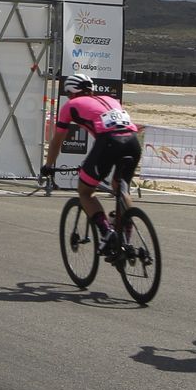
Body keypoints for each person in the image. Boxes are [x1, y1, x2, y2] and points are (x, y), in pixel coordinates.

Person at [40, 74, 141, 258]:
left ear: (71, 93)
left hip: (109, 143)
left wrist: (48, 165)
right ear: (91, 89)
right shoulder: (110, 99)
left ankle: (107, 232)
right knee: (121, 188)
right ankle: (125, 237)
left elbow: (57, 142)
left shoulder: (70, 106)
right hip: (133, 143)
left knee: (85, 191)